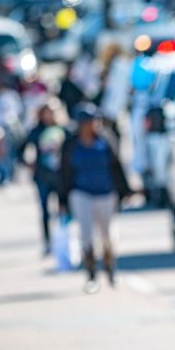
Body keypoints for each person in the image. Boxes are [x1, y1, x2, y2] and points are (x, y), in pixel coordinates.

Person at [59, 104, 132, 292]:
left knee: (107, 236)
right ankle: (90, 274)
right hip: (81, 192)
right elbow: (64, 173)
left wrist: (125, 191)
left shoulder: (106, 141)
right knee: (86, 236)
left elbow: (118, 166)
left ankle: (110, 268)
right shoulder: (71, 145)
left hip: (106, 192)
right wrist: (62, 199)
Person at [18, 99, 68, 256]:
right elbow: (21, 149)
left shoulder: (64, 130)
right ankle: (47, 242)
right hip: (43, 176)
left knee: (63, 208)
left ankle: (64, 239)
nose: (50, 115)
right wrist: (29, 163)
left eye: (52, 112)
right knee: (44, 210)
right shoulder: (37, 131)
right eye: (47, 112)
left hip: (60, 176)